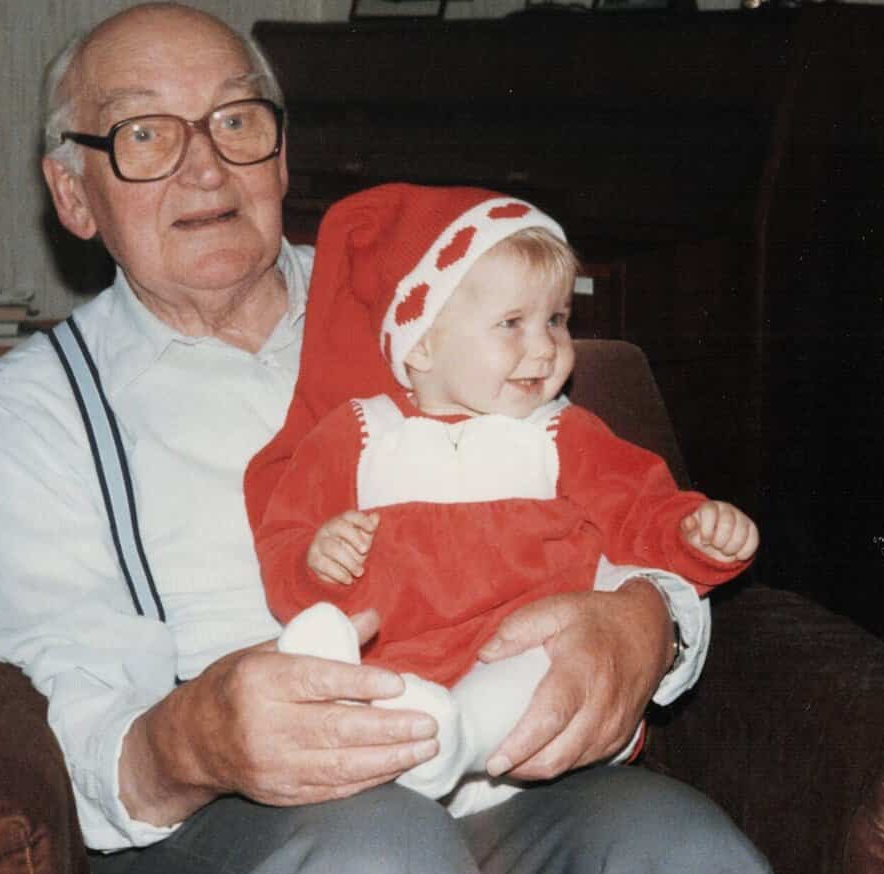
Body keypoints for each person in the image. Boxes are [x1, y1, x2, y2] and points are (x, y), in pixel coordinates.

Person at [0, 1, 793, 874]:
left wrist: (649, 622)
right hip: (226, 821)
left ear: (280, 157)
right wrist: (195, 740)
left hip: (501, 767)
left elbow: (602, 488)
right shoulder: (36, 409)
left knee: (687, 859)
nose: (206, 165)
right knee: (378, 865)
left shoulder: (436, 288)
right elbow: (69, 694)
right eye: (143, 132)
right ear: (72, 195)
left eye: (236, 120)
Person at [246, 183, 759, 816]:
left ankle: (451, 745)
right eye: (512, 324)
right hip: (400, 660)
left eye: (556, 320)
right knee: (335, 660)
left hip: (518, 663)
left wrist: (694, 533)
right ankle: (407, 732)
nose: (545, 348)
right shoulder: (356, 433)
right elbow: (286, 534)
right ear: (422, 342)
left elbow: (638, 511)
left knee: (545, 666)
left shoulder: (561, 432)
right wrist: (316, 561)